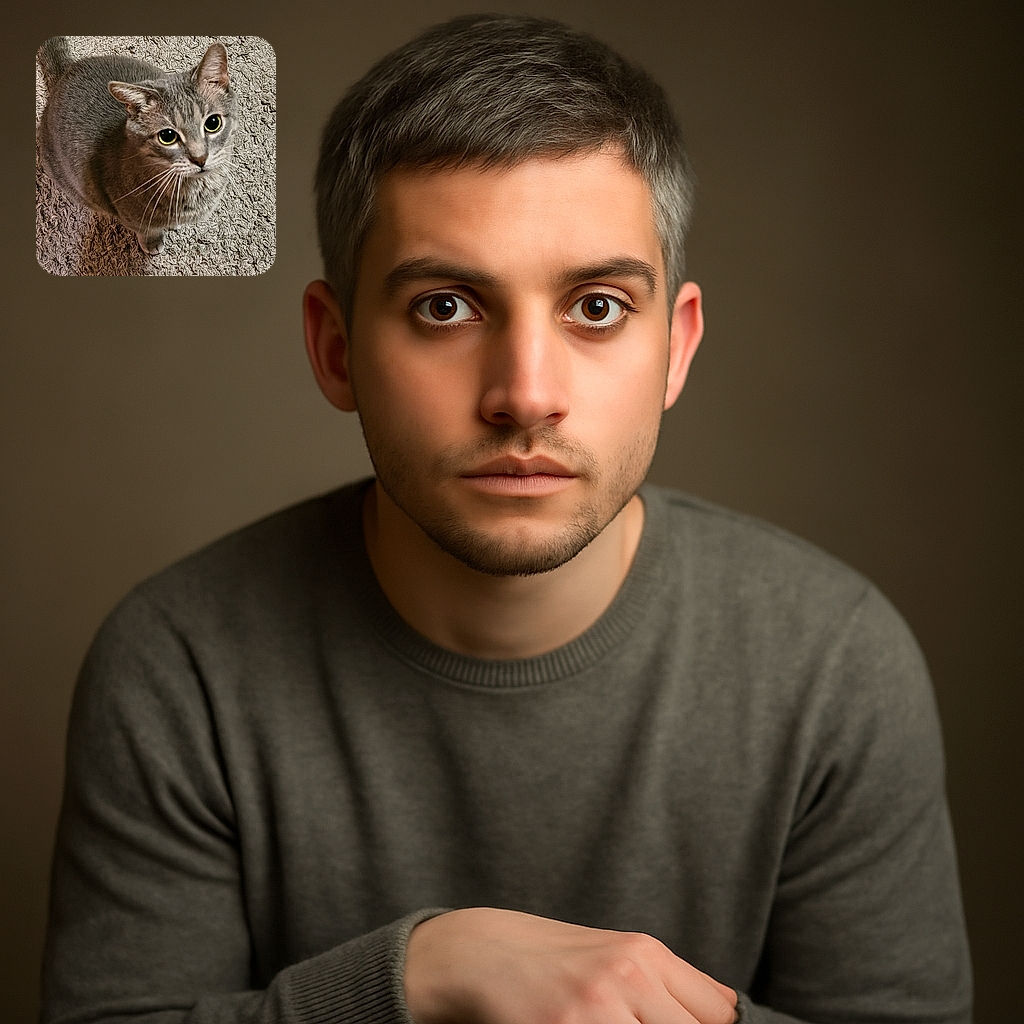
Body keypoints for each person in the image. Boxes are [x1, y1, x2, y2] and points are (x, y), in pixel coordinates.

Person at [41, 13, 972, 1024]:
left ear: (676, 349)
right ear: (336, 349)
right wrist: (412, 979)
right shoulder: (178, 668)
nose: (526, 396)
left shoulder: (835, 664)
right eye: (445, 307)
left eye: (597, 307)